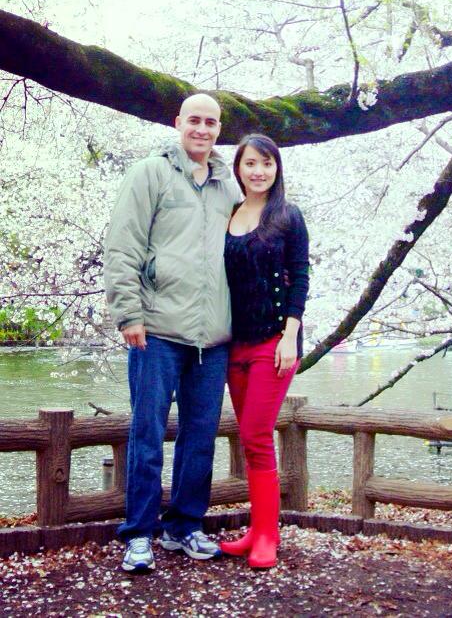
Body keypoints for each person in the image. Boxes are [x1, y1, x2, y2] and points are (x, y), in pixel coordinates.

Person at [104, 93, 240, 573]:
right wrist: (129, 314)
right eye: (194, 120)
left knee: (200, 437)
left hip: (213, 337)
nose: (202, 129)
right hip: (157, 329)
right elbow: (123, 245)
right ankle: (139, 533)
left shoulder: (229, 186)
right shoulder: (151, 174)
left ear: (219, 129)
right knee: (148, 432)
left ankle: (184, 526)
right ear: (178, 122)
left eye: (211, 122)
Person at [219, 134, 310, 569]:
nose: (259, 171)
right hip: (234, 341)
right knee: (249, 438)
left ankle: (268, 537)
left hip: (274, 342)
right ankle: (256, 531)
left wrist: (290, 336)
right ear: (239, 168)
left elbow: (300, 276)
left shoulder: (288, 216)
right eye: (251, 163)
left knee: (257, 433)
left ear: (277, 168)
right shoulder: (229, 214)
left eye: (267, 163)